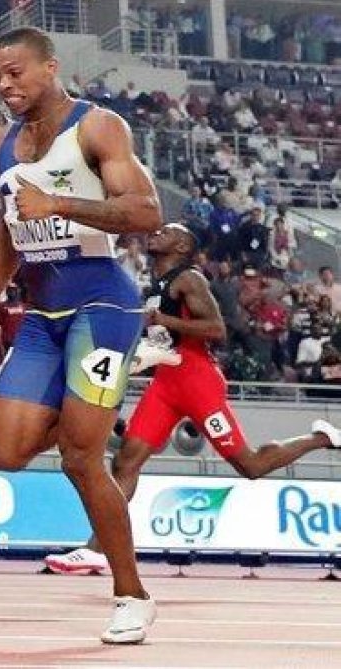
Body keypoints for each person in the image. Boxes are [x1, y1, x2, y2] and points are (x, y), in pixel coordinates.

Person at [0, 27, 163, 643]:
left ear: (50, 67)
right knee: (2, 452)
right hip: (43, 314)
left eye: (17, 73)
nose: (6, 85)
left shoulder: (98, 127)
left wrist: (60, 205)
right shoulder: (4, 141)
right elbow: (6, 229)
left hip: (103, 302)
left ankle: (131, 596)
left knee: (81, 456)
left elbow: (145, 213)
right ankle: (94, 395)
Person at [46, 224, 341, 573]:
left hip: (197, 381)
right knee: (126, 461)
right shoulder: (153, 283)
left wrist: (161, 319)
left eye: (166, 232)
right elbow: (161, 334)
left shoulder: (189, 279)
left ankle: (321, 437)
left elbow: (217, 329)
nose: (155, 232)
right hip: (167, 382)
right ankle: (98, 550)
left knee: (251, 465)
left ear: (183, 244)